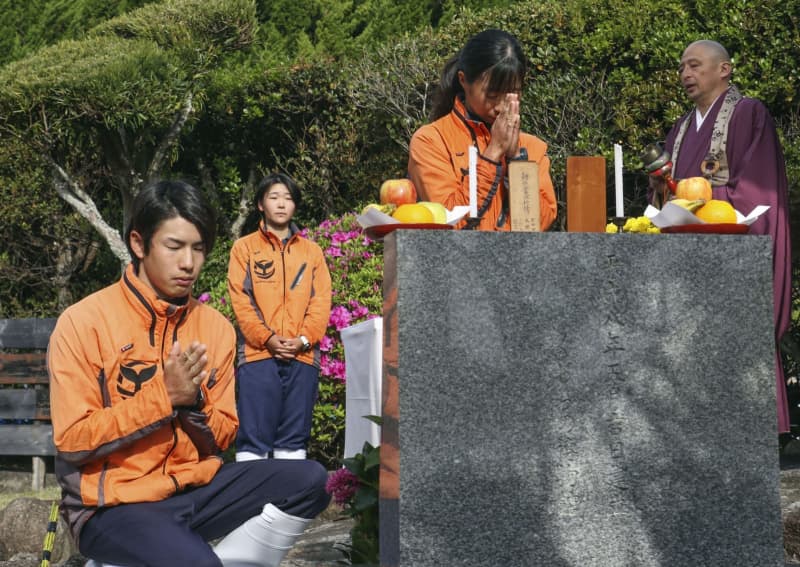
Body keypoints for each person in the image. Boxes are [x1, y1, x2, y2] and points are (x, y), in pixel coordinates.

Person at [47, 180, 330, 567]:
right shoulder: (83, 323)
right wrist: (163, 397)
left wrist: (194, 401)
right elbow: (73, 440)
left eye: (198, 249)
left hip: (195, 490)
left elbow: (223, 438)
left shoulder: (215, 328)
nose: (188, 263)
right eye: (174, 246)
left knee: (310, 480)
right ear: (138, 243)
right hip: (112, 505)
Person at [648, 39, 793, 433]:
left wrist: (696, 198)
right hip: (686, 262)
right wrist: (663, 188)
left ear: (724, 69)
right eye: (681, 68)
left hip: (731, 255)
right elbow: (666, 195)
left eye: (694, 66)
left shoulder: (748, 114)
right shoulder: (680, 128)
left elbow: (757, 191)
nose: (685, 75)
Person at [407, 28, 557, 231]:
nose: (500, 107)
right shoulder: (432, 140)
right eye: (492, 95)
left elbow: (539, 225)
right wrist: (493, 153)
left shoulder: (532, 148)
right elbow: (449, 220)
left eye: (512, 94)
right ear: (463, 80)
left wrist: (516, 160)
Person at [228, 173, 332, 461]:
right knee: (253, 437)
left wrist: (302, 339)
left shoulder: (312, 252)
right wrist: (268, 338)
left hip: (303, 355)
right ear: (261, 204)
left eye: (288, 198)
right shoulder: (244, 248)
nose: (281, 204)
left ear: (295, 205)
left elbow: (321, 301)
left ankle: (287, 505)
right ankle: (251, 505)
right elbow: (241, 300)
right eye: (274, 197)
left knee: (293, 437)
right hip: (258, 354)